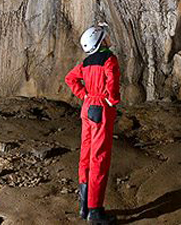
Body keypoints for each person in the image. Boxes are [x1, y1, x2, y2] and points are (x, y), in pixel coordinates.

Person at [65, 23, 121, 223]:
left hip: (87, 108)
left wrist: (84, 95)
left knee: (86, 156)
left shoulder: (86, 63)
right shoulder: (109, 59)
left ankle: (84, 206)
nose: (107, 39)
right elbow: (112, 84)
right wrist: (111, 100)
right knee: (99, 158)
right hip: (100, 108)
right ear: (100, 41)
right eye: (104, 37)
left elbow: (70, 79)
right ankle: (95, 211)